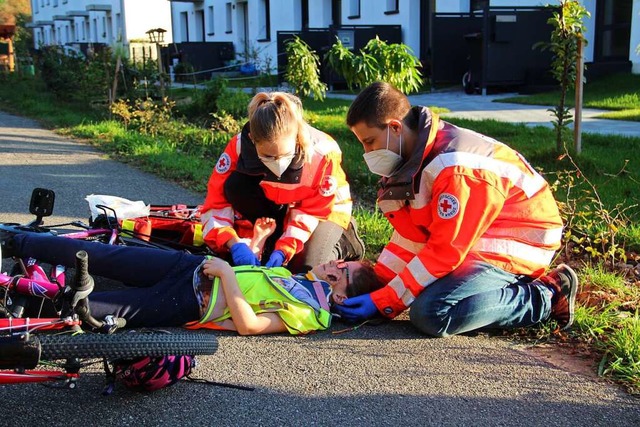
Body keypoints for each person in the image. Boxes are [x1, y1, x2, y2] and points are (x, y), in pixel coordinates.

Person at [333, 81, 578, 338]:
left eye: (370, 142)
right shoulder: (415, 158)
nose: (367, 153)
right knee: (422, 296)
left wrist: (385, 300)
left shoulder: (455, 168)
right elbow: (412, 236)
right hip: (478, 238)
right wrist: (380, 285)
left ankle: (547, 296)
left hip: (516, 243)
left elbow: (445, 251)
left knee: (432, 312)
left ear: (395, 127)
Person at [1, 220, 383, 336]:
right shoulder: (296, 278)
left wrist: (228, 277)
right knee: (101, 254)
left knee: (87, 309)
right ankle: (12, 239)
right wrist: (261, 241)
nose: (335, 266)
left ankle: (15, 311)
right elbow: (257, 273)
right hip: (187, 268)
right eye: (342, 263)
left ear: (339, 297)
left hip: (187, 300)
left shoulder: (310, 312)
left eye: (342, 274)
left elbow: (249, 324)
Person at [200, 91, 365, 273]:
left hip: (325, 211)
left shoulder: (323, 153)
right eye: (268, 156)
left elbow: (311, 212)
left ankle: (346, 240)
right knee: (234, 187)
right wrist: (232, 243)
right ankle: (275, 239)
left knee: (305, 269)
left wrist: (285, 248)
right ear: (253, 141)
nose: (277, 163)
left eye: (285, 155)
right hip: (284, 205)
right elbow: (216, 203)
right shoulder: (239, 147)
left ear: (296, 138)